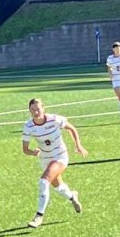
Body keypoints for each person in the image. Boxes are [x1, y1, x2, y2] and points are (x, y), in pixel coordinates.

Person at [22, 98, 87, 229]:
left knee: (43, 181)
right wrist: (32, 152)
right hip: (45, 158)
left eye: (38, 109)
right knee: (57, 185)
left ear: (43, 108)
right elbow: (25, 149)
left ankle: (39, 216)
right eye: (32, 110)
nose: (36, 112)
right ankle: (72, 196)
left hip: (60, 156)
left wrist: (78, 145)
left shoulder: (55, 119)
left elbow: (71, 128)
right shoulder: (28, 126)